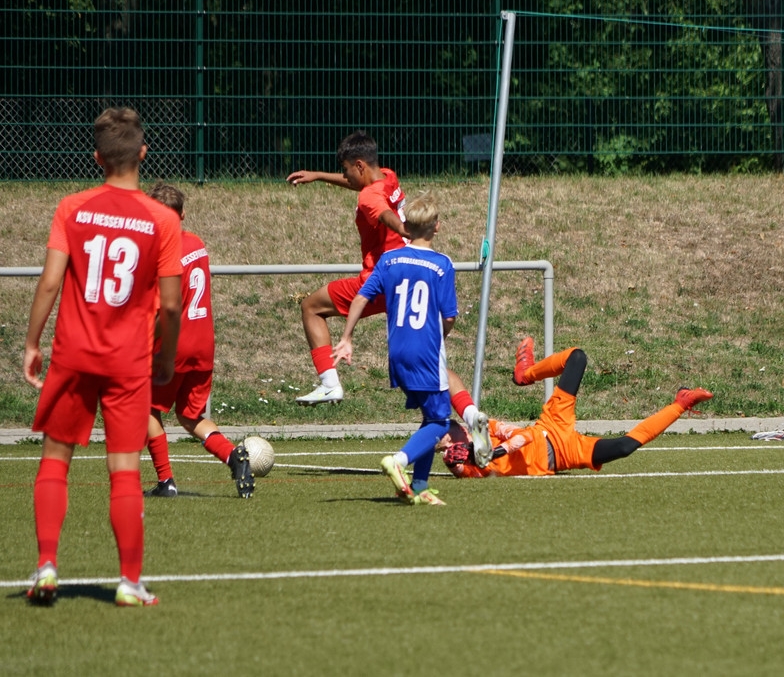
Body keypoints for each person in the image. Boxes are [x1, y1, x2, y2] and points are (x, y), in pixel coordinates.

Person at [22, 107, 182, 607]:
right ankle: (129, 583)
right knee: (124, 470)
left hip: (73, 355)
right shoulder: (162, 219)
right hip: (128, 362)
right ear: (143, 153)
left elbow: (50, 281)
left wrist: (32, 343)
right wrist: (166, 357)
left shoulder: (72, 207)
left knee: (55, 461)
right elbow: (171, 305)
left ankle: (46, 567)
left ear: (97, 158)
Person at [332, 192, 457, 505]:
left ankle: (420, 486)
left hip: (398, 352)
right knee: (441, 421)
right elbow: (449, 316)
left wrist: (346, 337)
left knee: (430, 417)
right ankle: (398, 461)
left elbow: (361, 297)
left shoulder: (389, 260)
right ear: (436, 226)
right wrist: (440, 337)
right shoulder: (442, 265)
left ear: (406, 227)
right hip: (426, 353)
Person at [438, 337, 714, 478]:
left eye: (447, 435)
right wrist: (460, 462)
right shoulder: (463, 459)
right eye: (443, 443)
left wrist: (492, 450)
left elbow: (525, 436)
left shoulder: (483, 427)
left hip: (551, 426)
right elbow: (466, 471)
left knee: (577, 357)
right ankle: (682, 402)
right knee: (624, 447)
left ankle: (526, 374)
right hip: (563, 455)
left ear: (460, 426)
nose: (448, 442)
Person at [142, 182, 254, 500]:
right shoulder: (196, 242)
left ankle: (165, 481)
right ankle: (233, 456)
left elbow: (168, 309)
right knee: (190, 416)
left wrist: (144, 342)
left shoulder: (161, 253)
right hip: (203, 343)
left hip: (174, 345)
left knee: (145, 408)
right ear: (182, 214)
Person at [287, 131, 408, 405]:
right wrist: (318, 175)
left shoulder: (368, 197)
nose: (345, 176)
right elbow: (364, 188)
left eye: (346, 170)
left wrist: (403, 228)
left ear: (359, 165)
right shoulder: (388, 176)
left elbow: (381, 212)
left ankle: (329, 384)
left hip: (377, 281)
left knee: (311, 307)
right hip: (405, 275)